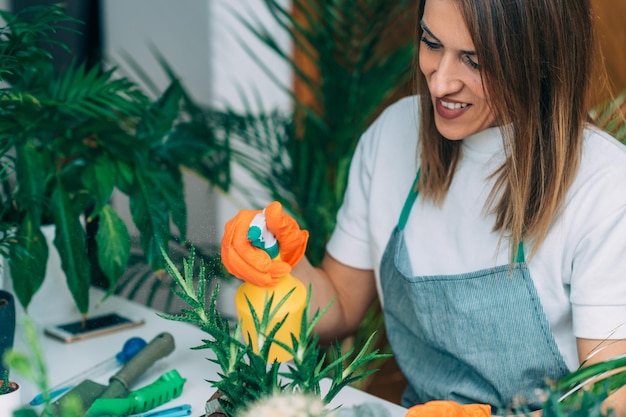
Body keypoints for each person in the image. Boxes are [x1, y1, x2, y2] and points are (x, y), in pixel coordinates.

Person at [220, 0, 626, 414]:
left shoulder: (604, 185)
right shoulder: (391, 136)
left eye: (475, 60)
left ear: (539, 59)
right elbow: (340, 304)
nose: (440, 83)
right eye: (431, 43)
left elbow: (611, 399)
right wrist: (279, 267)